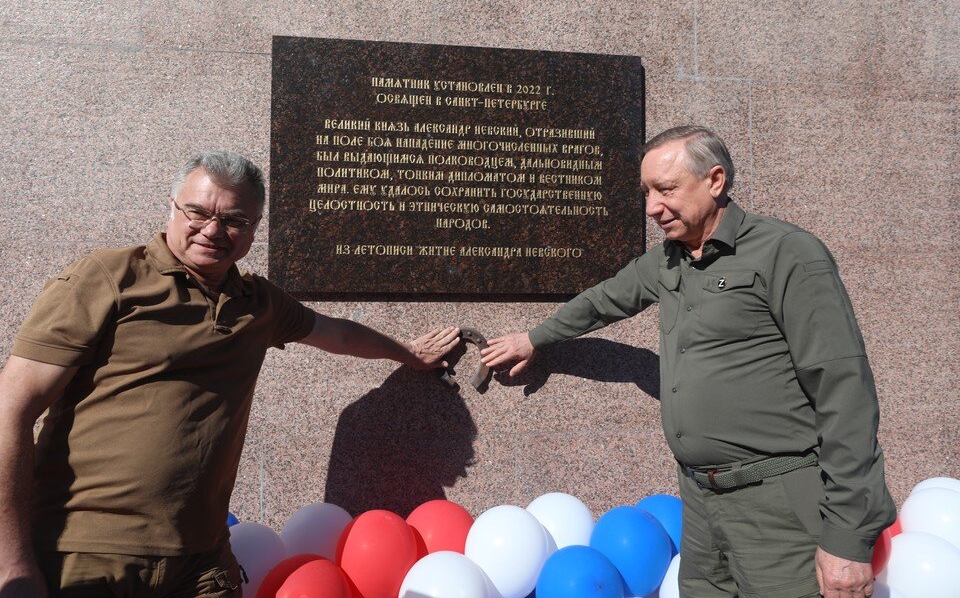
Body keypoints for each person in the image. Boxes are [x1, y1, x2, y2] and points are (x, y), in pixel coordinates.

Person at [0, 151, 460, 598]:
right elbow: (11, 411)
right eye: (197, 212)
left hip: (203, 562)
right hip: (88, 555)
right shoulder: (107, 278)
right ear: (172, 208)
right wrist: (13, 563)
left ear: (254, 228)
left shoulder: (258, 303)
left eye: (234, 220)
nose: (213, 230)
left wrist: (409, 354)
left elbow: (336, 334)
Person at [482, 126, 896, 598]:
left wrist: (848, 535)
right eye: (646, 193)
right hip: (701, 506)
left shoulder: (786, 253)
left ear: (715, 180)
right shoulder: (669, 260)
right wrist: (533, 338)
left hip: (777, 508)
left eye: (666, 190)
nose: (651, 207)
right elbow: (603, 301)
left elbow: (844, 392)